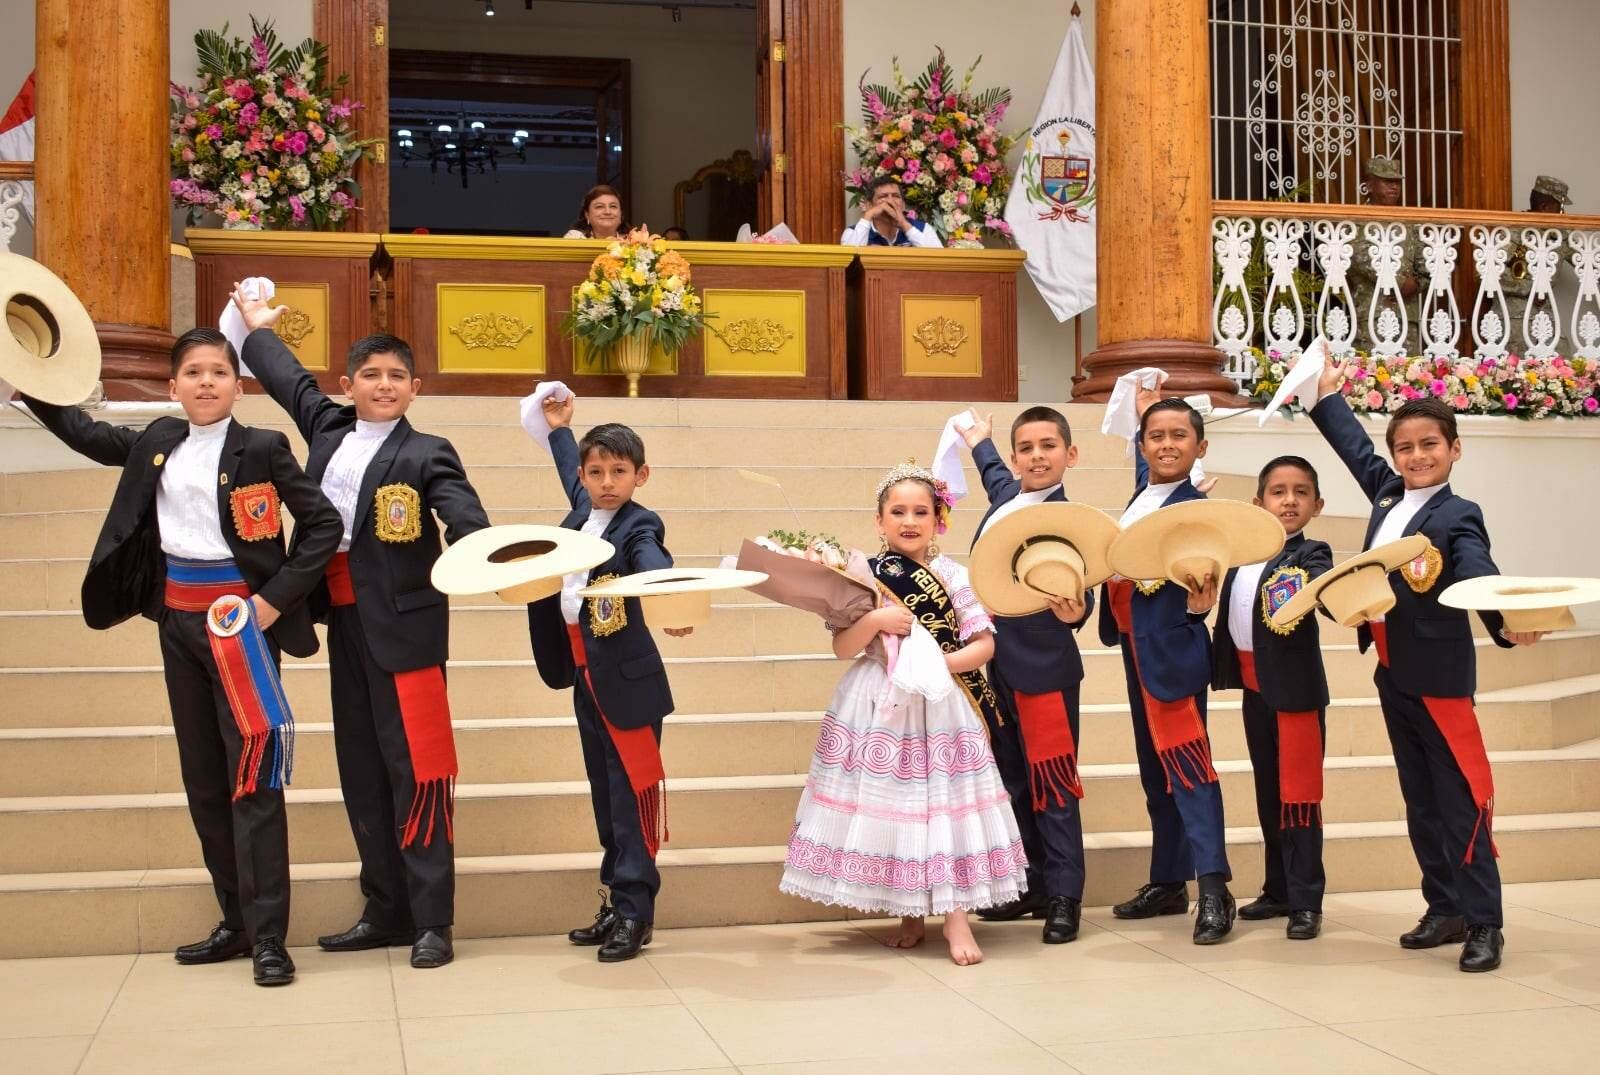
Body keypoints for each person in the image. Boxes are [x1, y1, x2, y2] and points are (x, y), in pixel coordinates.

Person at [19, 329, 341, 986]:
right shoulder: (155, 441)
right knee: (203, 780)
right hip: (178, 625)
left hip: (242, 632)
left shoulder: (264, 447)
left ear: (238, 384)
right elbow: (85, 433)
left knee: (254, 777)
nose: (204, 382)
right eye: (191, 372)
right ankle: (236, 919)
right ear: (172, 387)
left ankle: (271, 937)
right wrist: (27, 384)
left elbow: (323, 526)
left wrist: (273, 602)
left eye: (218, 371)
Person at [230, 289, 491, 970]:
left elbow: (464, 515)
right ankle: (384, 908)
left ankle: (433, 918)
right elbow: (287, 380)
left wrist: (493, 553)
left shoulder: (430, 450)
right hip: (340, 623)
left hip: (407, 636)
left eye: (396, 376)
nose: (383, 385)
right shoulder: (326, 427)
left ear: (415, 388)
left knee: (419, 772)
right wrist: (257, 330)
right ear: (348, 384)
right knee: (361, 772)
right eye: (370, 375)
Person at [1308, 363, 1544, 972]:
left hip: (1440, 678)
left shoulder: (1457, 512)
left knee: (1461, 799)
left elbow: (1474, 567)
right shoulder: (1388, 494)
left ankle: (1485, 921)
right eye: (1405, 448)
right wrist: (1327, 394)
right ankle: (1444, 907)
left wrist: (1504, 620)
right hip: (1393, 672)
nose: (1416, 457)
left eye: (1429, 446)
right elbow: (1356, 449)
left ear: (1454, 449)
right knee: (1420, 801)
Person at [780, 463, 1025, 966]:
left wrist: (932, 668)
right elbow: (844, 647)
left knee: (939, 805)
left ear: (939, 520)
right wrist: (874, 617)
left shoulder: (955, 575)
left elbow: (983, 647)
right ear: (879, 520)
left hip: (939, 704)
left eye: (921, 511)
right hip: (876, 702)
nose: (909, 521)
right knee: (895, 805)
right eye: (898, 512)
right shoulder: (861, 575)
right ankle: (910, 911)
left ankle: (956, 917)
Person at [526, 396, 689, 962]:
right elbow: (569, 470)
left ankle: (636, 913)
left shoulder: (639, 522)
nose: (606, 482)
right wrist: (559, 432)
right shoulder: (578, 514)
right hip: (583, 677)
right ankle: (614, 901)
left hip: (627, 682)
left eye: (619, 472)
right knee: (604, 798)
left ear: (640, 476)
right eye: (595, 472)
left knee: (630, 798)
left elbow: (651, 558)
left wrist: (666, 595)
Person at [1100, 392, 1236, 944]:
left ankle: (1215, 888)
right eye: (1155, 435)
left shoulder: (1193, 508)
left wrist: (1203, 601)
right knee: (1155, 775)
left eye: (1179, 436)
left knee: (1189, 771)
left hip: (1173, 653)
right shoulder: (1144, 494)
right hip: (1137, 651)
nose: (1166, 444)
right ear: (1141, 445)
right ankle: (1168, 881)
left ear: (1200, 447)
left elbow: (1206, 572)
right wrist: (1142, 406)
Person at [961, 406, 1095, 944]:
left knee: (1053, 784)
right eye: (1027, 448)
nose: (1037, 456)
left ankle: (1065, 895)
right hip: (992, 671)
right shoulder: (1005, 498)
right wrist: (980, 444)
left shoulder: (1068, 519)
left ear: (1070, 454)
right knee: (1013, 781)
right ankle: (1032, 884)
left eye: (1048, 446)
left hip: (1044, 669)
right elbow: (996, 478)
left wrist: (1077, 614)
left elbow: (1081, 587)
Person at [1211, 456, 1333, 940]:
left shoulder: (1310, 555)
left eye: (1301, 492)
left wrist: (1317, 588)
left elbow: (1319, 589)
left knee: (1299, 797)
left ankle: (1307, 899)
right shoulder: (1239, 558)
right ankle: (1278, 887)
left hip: (1296, 696)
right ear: (1257, 503)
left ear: (1317, 505)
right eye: (1278, 492)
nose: (1289, 500)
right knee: (1268, 792)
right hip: (1255, 692)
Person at [1347, 156, 1426, 353]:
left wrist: (1416, 284)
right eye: (1387, 181)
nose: (1394, 187)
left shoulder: (1409, 223)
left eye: (1397, 182)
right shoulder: (1358, 220)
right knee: (1372, 378)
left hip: (1407, 316)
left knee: (1410, 378)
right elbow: (1360, 257)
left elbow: (1426, 262)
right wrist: (1399, 282)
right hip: (1373, 313)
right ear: (1370, 186)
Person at [1503, 175, 1573, 354]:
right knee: (1515, 376)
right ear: (1544, 207)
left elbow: (1587, 260)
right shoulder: (1511, 232)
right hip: (1513, 317)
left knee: (1563, 368)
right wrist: (1529, 288)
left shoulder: (1560, 235)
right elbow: (1486, 274)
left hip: (1544, 317)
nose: (1562, 214)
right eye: (1559, 208)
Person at [839, 175, 944, 248]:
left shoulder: (923, 229)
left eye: (896, 196)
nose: (890, 201)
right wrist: (868, 214)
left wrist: (904, 225)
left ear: (903, 204)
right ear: (869, 204)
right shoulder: (852, 233)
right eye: (883, 196)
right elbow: (851, 265)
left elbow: (941, 260)